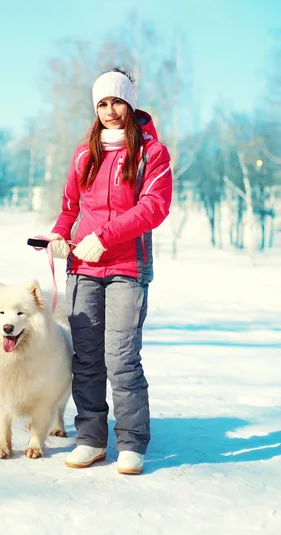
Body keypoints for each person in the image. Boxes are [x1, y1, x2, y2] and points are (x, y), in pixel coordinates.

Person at [47, 68, 172, 475]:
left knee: (121, 359)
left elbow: (153, 208)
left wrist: (103, 236)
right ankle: (90, 439)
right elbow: (69, 208)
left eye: (117, 101)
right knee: (86, 359)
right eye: (102, 103)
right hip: (82, 268)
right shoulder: (85, 153)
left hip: (126, 268)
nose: (110, 111)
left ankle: (132, 442)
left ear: (130, 103)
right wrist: (58, 236)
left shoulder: (152, 153)